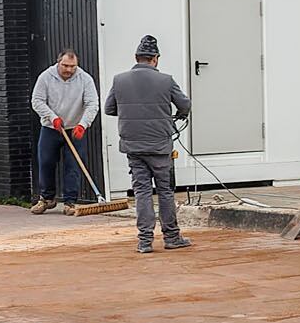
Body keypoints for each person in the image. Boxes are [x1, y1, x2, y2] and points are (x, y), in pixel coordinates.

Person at [104, 33, 193, 252]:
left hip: (133, 145)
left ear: (137, 57)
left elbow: (109, 108)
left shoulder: (119, 80)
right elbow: (185, 105)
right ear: (155, 58)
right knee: (164, 190)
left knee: (142, 191)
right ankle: (171, 237)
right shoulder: (166, 80)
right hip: (160, 145)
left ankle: (144, 241)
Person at [31, 47, 102, 212]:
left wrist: (83, 124)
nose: (69, 70)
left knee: (73, 165)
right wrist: (52, 117)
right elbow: (37, 101)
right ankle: (47, 198)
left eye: (73, 66)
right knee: (46, 162)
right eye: (65, 66)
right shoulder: (46, 77)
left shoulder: (85, 79)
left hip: (75, 128)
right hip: (51, 127)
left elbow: (92, 104)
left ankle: (70, 202)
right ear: (58, 63)